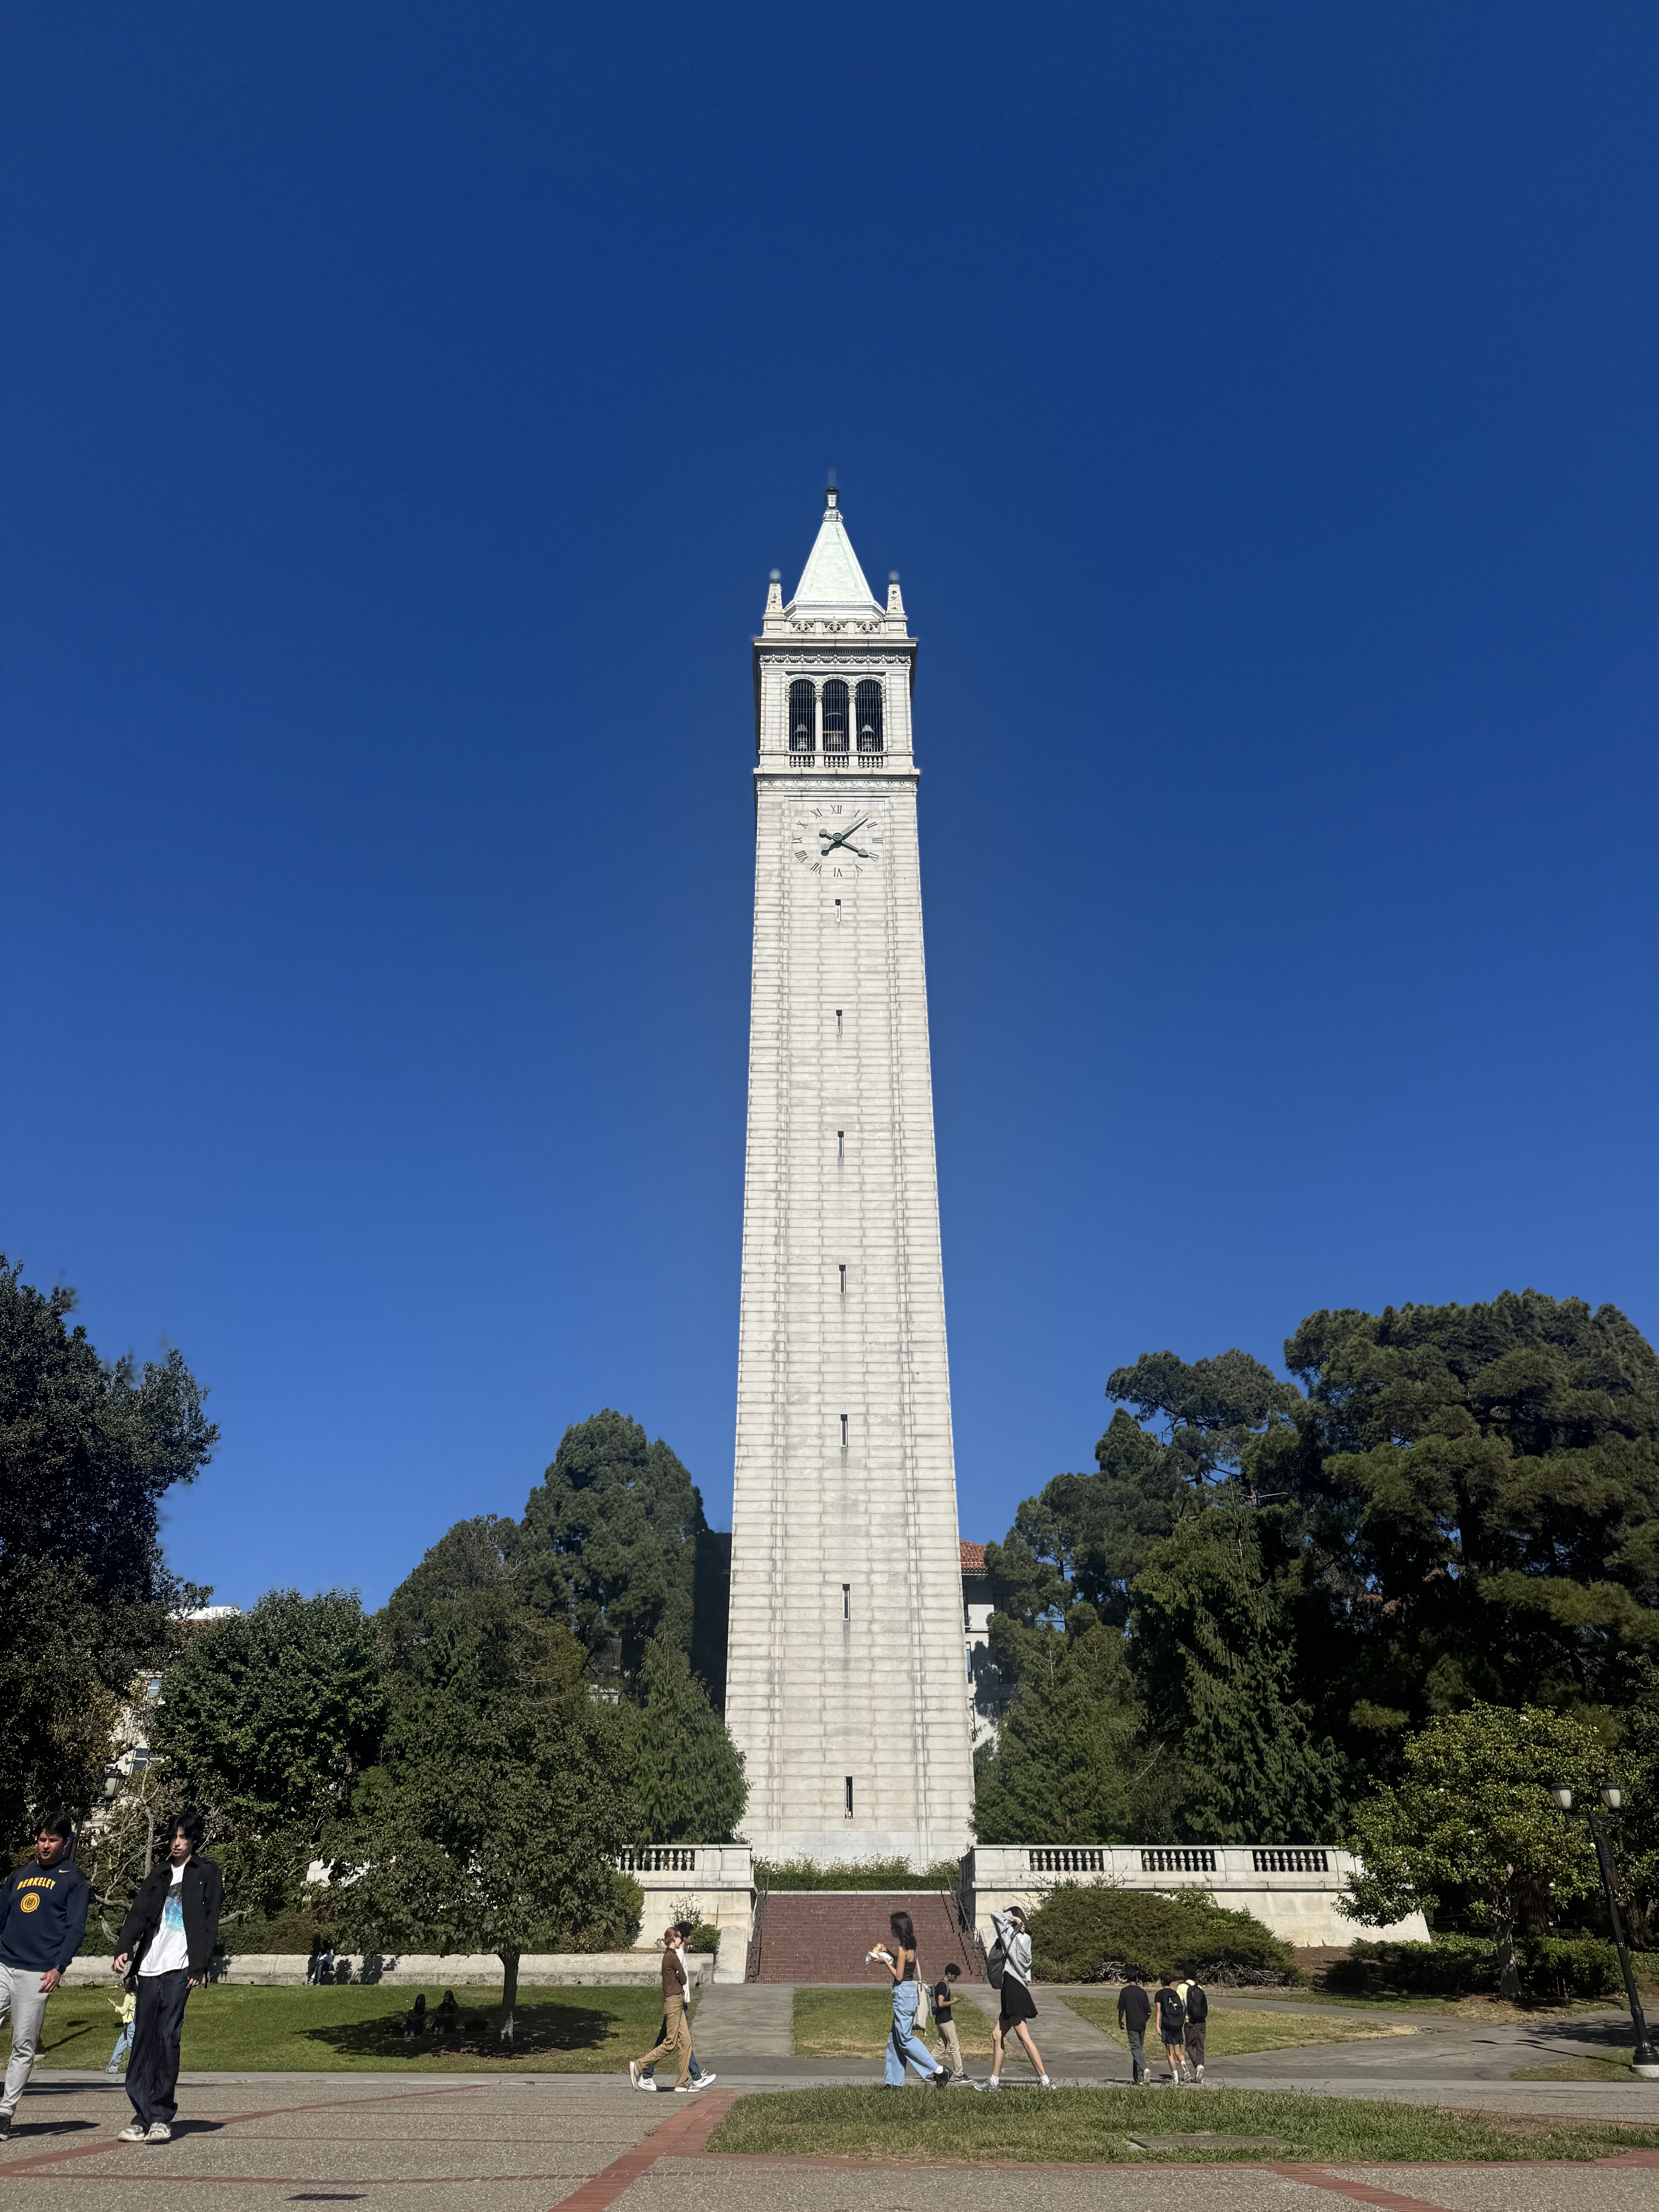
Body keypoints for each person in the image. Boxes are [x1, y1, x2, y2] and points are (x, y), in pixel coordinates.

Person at [112, 1808, 223, 2145]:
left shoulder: (206, 1872)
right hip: (149, 1967)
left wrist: (200, 1965)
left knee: (167, 2037)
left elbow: (210, 1920)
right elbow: (138, 1915)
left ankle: (160, 2115)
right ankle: (141, 2116)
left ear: (193, 1841)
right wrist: (124, 1948)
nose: (177, 1843)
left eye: (183, 1837)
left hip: (180, 1969)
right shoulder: (159, 1874)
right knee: (142, 2041)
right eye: (174, 1837)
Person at [0, 1810, 90, 2138]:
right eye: (42, 1839)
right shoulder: (19, 1875)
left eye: (53, 1840)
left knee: (23, 2044)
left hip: (37, 1973)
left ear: (65, 1843)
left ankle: (5, 2112)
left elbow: (75, 1928)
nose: (46, 1845)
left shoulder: (74, 1880)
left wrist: (59, 1966)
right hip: (4, 1964)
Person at [872, 1911, 949, 2088]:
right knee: (894, 2040)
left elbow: (899, 1976)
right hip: (909, 1993)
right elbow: (903, 1965)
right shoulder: (910, 1946)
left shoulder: (903, 1948)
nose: (890, 1929)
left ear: (899, 1928)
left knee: (905, 2039)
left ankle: (939, 2071)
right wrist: (887, 1952)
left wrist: (885, 1962)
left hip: (903, 1994)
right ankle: (893, 2083)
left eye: (892, 1926)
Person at [639, 1923, 714, 2091]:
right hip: (677, 2002)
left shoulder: (677, 1953)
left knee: (681, 2041)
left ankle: (683, 2080)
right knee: (673, 2041)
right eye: (688, 1935)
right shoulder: (676, 1954)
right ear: (680, 1938)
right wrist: (683, 2000)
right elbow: (681, 1979)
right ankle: (644, 2070)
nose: (691, 1938)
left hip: (679, 2001)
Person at [987, 1906, 1051, 2090]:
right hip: (1018, 1986)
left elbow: (995, 1915)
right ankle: (994, 2081)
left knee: (1024, 2037)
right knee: (997, 2034)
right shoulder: (1027, 1939)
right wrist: (1019, 1922)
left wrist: (1014, 1920)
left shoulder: (1009, 1936)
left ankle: (1045, 2080)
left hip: (1012, 1986)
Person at [931, 1962, 966, 2082]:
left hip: (940, 2020)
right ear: (949, 1974)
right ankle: (959, 2075)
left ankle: (926, 2070)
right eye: (955, 1976)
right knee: (954, 2046)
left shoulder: (941, 1984)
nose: (955, 1979)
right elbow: (941, 2003)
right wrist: (954, 2002)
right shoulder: (943, 1985)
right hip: (946, 2020)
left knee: (940, 2048)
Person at [1116, 1970, 1151, 2085]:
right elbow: (1149, 2012)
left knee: (1135, 2048)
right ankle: (1139, 2078)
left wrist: (1120, 2021)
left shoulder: (1125, 1992)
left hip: (1131, 2024)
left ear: (1126, 1979)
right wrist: (1144, 2020)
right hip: (1142, 2024)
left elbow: (1121, 2009)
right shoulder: (1142, 1992)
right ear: (1137, 1979)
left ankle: (1145, 2069)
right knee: (1139, 2050)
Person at [1151, 1973, 1187, 2086]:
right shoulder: (1175, 1993)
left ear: (1162, 1981)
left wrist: (1157, 2026)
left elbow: (1158, 2011)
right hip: (1177, 2025)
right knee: (1178, 2051)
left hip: (1167, 2025)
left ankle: (1175, 2077)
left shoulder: (1159, 1994)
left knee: (1170, 2052)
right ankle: (1184, 2066)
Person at [1183, 1969, 1208, 2083]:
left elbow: (1181, 2005)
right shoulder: (1200, 1988)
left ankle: (1198, 2065)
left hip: (1191, 2021)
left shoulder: (1182, 1987)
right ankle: (1200, 2077)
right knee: (1200, 2048)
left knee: (1189, 2046)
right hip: (1202, 2021)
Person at [106, 1989, 137, 2072]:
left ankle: (138, 2067)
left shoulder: (129, 1996)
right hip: (134, 2022)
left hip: (131, 2023)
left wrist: (115, 2006)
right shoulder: (137, 1995)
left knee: (133, 2046)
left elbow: (123, 2011)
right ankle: (112, 2067)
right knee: (121, 2044)